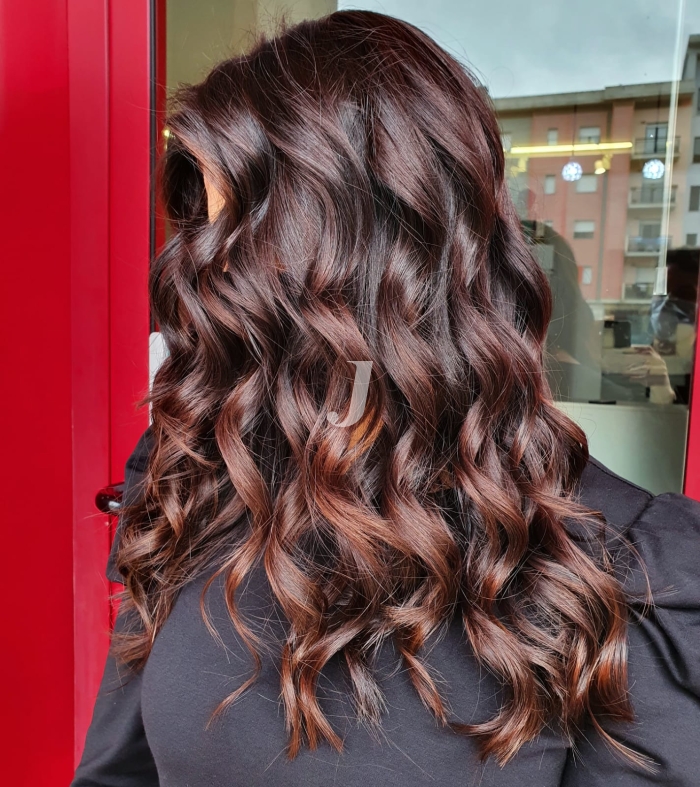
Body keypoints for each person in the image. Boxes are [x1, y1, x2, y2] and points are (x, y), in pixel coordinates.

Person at [71, 10, 700, 786]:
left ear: (364, 262)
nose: (198, 281)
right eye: (198, 232)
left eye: (229, 243)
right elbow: (116, 771)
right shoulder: (200, 480)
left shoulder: (632, 581)